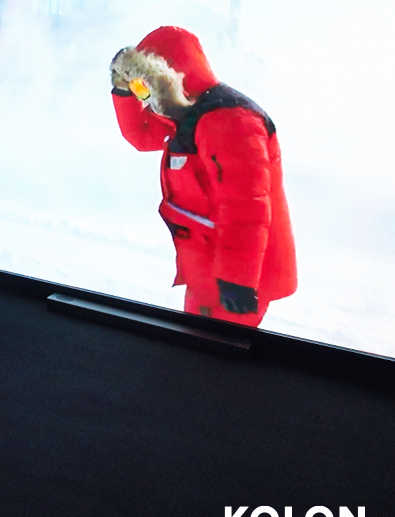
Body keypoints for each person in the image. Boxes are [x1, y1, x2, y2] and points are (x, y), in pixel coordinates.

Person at [110, 25, 295, 327]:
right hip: (207, 267)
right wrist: (123, 92)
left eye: (145, 88)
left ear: (171, 77)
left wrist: (236, 281)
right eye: (138, 90)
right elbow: (142, 136)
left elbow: (245, 208)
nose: (144, 99)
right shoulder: (187, 111)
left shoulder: (232, 122)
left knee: (212, 353)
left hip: (235, 279)